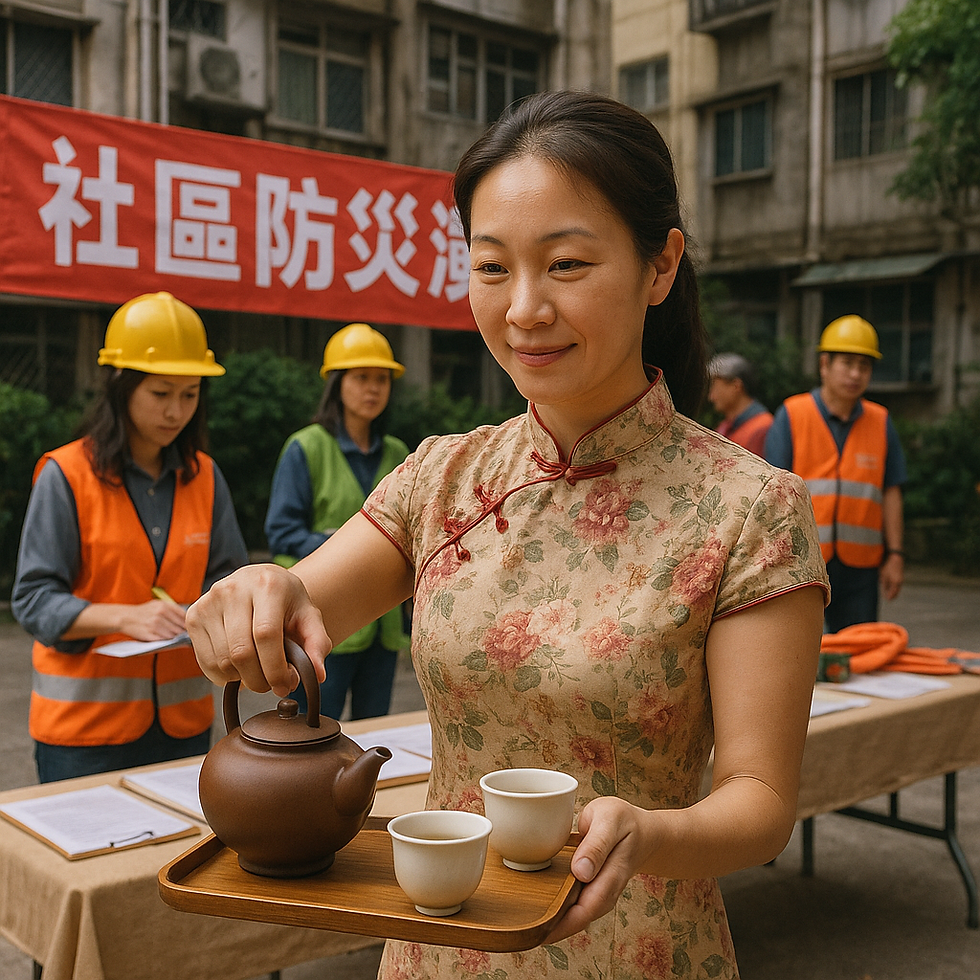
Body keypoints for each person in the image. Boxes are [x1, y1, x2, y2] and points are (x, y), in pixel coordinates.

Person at [186, 92, 829, 978]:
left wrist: (648, 833)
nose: (524, 308)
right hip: (439, 948)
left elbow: (758, 803)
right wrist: (256, 594)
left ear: (660, 264)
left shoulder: (748, 508)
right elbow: (302, 598)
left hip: (633, 945)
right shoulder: (441, 478)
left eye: (565, 264)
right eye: (492, 268)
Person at [11, 291, 248, 783]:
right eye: (160, 394)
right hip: (82, 733)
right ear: (121, 388)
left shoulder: (204, 476)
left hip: (183, 725)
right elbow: (33, 600)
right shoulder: (66, 475)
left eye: (190, 394)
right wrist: (125, 616)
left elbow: (229, 580)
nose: (176, 411)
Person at [264, 322, 410, 719]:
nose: (373, 388)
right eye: (361, 377)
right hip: (323, 622)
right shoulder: (306, 446)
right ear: (337, 384)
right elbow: (281, 532)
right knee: (314, 733)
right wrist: (346, 548)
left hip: (383, 625)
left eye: (382, 379)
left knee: (373, 733)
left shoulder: (398, 452)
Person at [765, 315, 907, 632]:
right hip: (804, 563)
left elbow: (892, 490)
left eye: (865, 366)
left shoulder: (881, 421)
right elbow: (773, 492)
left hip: (862, 569)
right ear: (824, 364)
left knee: (857, 655)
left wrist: (895, 554)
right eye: (848, 363)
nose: (856, 374)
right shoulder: (792, 414)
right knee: (799, 659)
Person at [707, 352, 773, 456]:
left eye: (715, 387)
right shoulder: (725, 426)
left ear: (736, 386)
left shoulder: (763, 427)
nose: (711, 397)